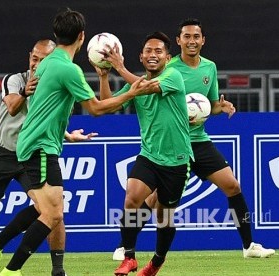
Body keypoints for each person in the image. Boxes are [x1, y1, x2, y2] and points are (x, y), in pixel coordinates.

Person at [0, 8, 159, 276]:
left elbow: (45, 108)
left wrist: (68, 132)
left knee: (50, 211)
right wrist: (130, 93)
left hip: (35, 144)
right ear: (82, 37)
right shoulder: (68, 69)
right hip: (40, 147)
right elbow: (97, 109)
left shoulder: (48, 63)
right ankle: (11, 269)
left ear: (56, 34)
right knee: (53, 215)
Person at [109, 18, 276, 262]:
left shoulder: (210, 68)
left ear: (203, 40)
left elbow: (206, 105)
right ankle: (125, 246)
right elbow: (147, 89)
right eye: (186, 36)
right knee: (153, 200)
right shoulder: (170, 68)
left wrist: (221, 106)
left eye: (196, 36)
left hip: (198, 140)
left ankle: (249, 245)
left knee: (233, 186)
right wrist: (119, 70)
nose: (191, 41)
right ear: (178, 41)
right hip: (172, 144)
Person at [0, 39, 96, 276]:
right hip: (1, 153)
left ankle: (57, 269)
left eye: (44, 60)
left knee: (52, 210)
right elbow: (14, 106)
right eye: (34, 58)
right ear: (29, 57)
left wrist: (68, 135)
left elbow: (45, 120)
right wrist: (26, 91)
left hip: (32, 154)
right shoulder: (15, 80)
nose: (37, 64)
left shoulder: (55, 82)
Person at [98, 31, 193, 276]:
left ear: (167, 57)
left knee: (164, 216)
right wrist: (104, 76)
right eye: (149, 51)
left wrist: (119, 67)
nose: (153, 55)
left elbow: (147, 88)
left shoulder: (174, 76)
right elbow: (109, 106)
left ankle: (157, 262)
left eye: (158, 51)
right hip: (149, 156)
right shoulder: (136, 84)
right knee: (132, 198)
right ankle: (129, 256)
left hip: (177, 160)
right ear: (141, 57)